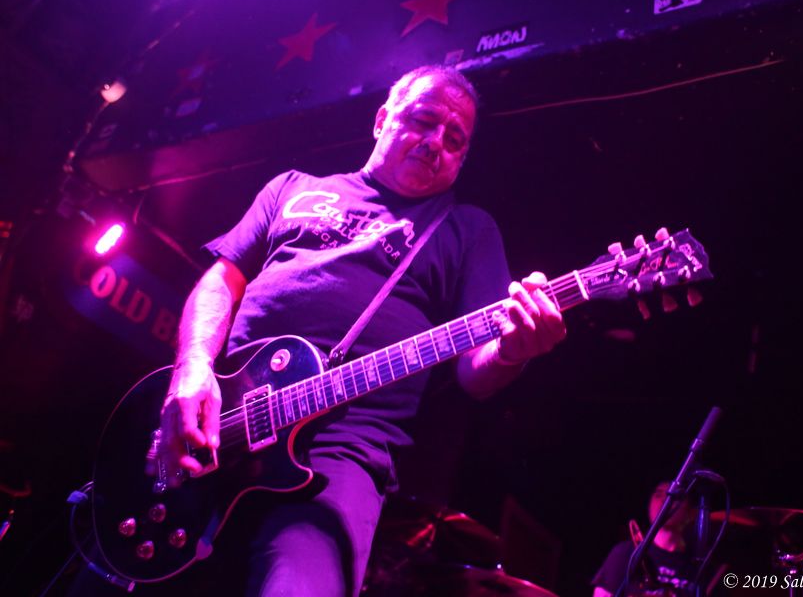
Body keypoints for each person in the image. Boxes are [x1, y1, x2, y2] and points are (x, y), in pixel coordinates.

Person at [155, 65, 566, 597]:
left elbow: (476, 370)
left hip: (341, 451)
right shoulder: (292, 188)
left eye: (455, 139)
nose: (436, 142)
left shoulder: (466, 231)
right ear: (381, 119)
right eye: (424, 120)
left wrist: (512, 352)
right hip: (219, 417)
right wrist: (193, 368)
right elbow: (221, 278)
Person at [591, 482, 701, 597]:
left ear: (691, 511)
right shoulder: (625, 553)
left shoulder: (697, 566)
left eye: (675, 496)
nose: (665, 500)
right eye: (658, 494)